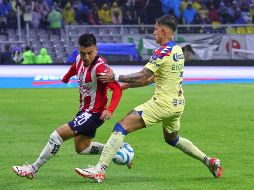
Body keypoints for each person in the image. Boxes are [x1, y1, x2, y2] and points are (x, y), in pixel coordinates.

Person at [74, 15, 223, 183]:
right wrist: (128, 85)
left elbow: (143, 75)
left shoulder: (163, 51)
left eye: (155, 29)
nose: (154, 33)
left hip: (162, 104)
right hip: (178, 104)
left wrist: (115, 77)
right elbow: (151, 79)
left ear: (164, 31)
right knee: (172, 139)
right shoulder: (177, 50)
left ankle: (99, 170)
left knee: (120, 127)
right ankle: (209, 161)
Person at [13, 33, 123, 179]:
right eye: (83, 53)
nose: (86, 57)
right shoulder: (79, 59)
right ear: (78, 50)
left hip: (94, 113)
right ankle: (117, 149)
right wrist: (66, 77)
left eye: (90, 53)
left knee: (57, 135)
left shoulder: (100, 68)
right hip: (84, 111)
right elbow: (74, 66)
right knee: (82, 148)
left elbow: (117, 89)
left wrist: (110, 109)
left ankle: (32, 169)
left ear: (96, 49)